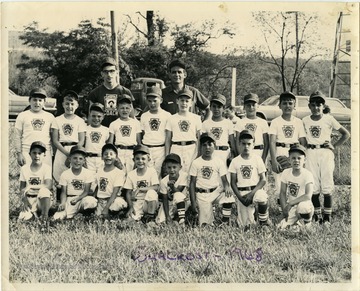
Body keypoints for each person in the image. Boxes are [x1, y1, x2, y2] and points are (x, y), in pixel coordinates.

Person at [302, 91, 350, 224]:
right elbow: (302, 138)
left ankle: (327, 217)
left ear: (323, 106)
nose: (316, 107)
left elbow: (346, 134)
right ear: (309, 106)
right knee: (314, 185)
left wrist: (334, 146)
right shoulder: (305, 120)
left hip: (325, 153)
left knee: (327, 185)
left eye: (319, 104)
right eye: (313, 105)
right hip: (310, 152)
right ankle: (317, 215)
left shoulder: (328, 119)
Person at [268, 91, 306, 210]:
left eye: (290, 103)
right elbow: (272, 142)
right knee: (280, 185)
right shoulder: (275, 122)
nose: (288, 106)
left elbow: (303, 141)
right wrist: (274, 160)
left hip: (294, 152)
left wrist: (302, 158)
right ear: (279, 105)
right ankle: (282, 210)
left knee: (294, 183)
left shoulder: (298, 122)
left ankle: (294, 209)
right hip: (280, 150)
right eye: (284, 103)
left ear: (294, 105)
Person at [189, 133, 235, 227]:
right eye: (204, 145)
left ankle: (225, 222)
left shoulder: (218, 161)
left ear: (215, 145)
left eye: (210, 144)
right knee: (205, 225)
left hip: (215, 192)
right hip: (202, 194)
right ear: (200, 147)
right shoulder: (196, 162)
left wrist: (227, 187)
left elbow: (224, 180)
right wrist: (193, 202)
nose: (207, 148)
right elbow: (192, 183)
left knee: (228, 197)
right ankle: (195, 214)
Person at [229, 130, 270, 231]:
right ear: (239, 144)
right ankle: (253, 215)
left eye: (249, 144)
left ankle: (263, 222)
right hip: (242, 193)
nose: (246, 146)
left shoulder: (257, 159)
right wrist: (240, 198)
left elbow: (263, 180)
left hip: (255, 190)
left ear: (253, 144)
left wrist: (251, 194)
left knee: (261, 196)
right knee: (245, 226)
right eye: (243, 144)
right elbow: (233, 183)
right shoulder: (235, 161)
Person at [51, 90, 86, 202]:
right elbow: (55, 140)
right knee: (60, 176)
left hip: (75, 150)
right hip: (62, 150)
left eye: (72, 104)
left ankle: (74, 201)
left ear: (77, 105)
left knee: (74, 175)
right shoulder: (57, 120)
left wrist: (73, 155)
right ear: (62, 104)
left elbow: (81, 140)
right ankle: (59, 203)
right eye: (67, 103)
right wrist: (67, 155)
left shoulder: (80, 121)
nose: (69, 106)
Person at [53, 146, 97, 220]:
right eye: (75, 158)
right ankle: (74, 214)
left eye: (80, 159)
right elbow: (63, 192)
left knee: (91, 201)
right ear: (70, 159)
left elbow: (86, 191)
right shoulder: (65, 174)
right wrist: (63, 202)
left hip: (82, 199)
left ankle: (84, 214)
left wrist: (77, 199)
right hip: (70, 199)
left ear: (84, 161)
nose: (77, 161)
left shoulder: (88, 173)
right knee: (57, 218)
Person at [88, 57, 134, 127]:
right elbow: (90, 117)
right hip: (102, 133)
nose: (109, 75)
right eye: (106, 72)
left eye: (112, 71)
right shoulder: (95, 93)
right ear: (102, 74)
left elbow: (131, 116)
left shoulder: (125, 92)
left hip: (120, 133)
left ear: (117, 72)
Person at [278, 144, 314, 232]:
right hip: (292, 207)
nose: (296, 161)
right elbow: (282, 192)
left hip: (305, 205)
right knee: (280, 228)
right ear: (289, 159)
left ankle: (307, 223)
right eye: (293, 158)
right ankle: (296, 224)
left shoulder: (307, 174)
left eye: (299, 158)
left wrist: (290, 204)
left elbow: (308, 196)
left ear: (304, 160)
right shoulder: (286, 172)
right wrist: (284, 209)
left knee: (303, 207)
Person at [14, 88, 55, 168]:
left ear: (44, 102)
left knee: (45, 177)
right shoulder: (22, 115)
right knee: (28, 177)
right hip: (27, 151)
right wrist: (19, 153)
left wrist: (53, 154)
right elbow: (17, 136)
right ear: (29, 101)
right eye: (34, 100)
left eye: (40, 100)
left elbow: (53, 137)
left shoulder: (50, 117)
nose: (37, 103)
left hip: (45, 152)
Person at [165, 88, 202, 173]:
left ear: (191, 103)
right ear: (177, 101)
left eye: (187, 101)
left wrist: (199, 153)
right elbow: (168, 139)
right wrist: (167, 155)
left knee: (191, 174)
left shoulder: (196, 118)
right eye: (182, 100)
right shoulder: (171, 118)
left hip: (191, 149)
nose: (184, 103)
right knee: (177, 173)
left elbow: (199, 138)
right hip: (176, 148)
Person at [18, 141, 52, 231]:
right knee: (24, 218)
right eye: (34, 153)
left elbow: (48, 185)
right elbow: (22, 188)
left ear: (44, 155)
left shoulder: (46, 168)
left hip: (42, 200)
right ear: (29, 154)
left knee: (44, 190)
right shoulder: (24, 168)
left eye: (40, 153)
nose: (37, 155)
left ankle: (44, 218)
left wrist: (31, 186)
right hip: (29, 199)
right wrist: (25, 201)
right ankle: (33, 215)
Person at [123, 145, 159, 223]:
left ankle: (150, 218)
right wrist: (130, 207)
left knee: (151, 192)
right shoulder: (131, 174)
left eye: (143, 159)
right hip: (137, 202)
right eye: (137, 159)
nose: (140, 161)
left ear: (148, 159)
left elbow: (156, 187)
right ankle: (142, 217)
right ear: (134, 160)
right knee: (130, 220)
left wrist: (140, 189)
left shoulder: (152, 171)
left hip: (149, 202)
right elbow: (128, 192)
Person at [140, 87, 171, 177]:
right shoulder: (144, 116)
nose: (152, 103)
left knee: (159, 175)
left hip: (160, 149)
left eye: (155, 100)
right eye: (149, 101)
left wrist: (167, 154)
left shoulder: (167, 115)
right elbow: (143, 133)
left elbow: (168, 137)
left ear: (161, 100)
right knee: (147, 174)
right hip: (147, 149)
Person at [108, 94, 142, 174]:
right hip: (119, 151)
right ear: (117, 109)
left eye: (127, 108)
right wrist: (114, 155)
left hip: (131, 152)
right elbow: (110, 142)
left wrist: (137, 154)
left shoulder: (135, 123)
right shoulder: (114, 124)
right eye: (122, 108)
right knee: (120, 174)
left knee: (131, 174)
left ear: (131, 109)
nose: (124, 110)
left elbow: (139, 142)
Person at [93, 143, 128, 217]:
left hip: (113, 200)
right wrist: (94, 198)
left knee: (118, 204)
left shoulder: (119, 173)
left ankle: (116, 213)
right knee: (98, 217)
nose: (108, 156)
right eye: (105, 154)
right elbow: (98, 186)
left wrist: (106, 208)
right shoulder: (99, 170)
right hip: (101, 200)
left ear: (116, 157)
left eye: (111, 154)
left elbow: (115, 192)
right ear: (102, 157)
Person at [201, 93, 236, 165]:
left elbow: (232, 142)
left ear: (223, 108)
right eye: (214, 106)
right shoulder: (206, 123)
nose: (216, 109)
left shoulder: (228, 123)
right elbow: (202, 143)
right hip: (211, 153)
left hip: (224, 153)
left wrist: (234, 155)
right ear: (210, 107)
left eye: (219, 107)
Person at [235, 93, 269, 163]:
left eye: (253, 105)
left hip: (259, 151)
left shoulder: (263, 122)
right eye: (248, 105)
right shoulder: (240, 122)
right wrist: (241, 157)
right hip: (245, 152)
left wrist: (263, 159)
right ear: (244, 107)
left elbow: (266, 143)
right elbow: (238, 142)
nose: (251, 108)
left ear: (258, 106)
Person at [156, 153, 189, 225]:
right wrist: (167, 216)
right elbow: (164, 200)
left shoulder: (184, 175)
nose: (172, 170)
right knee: (160, 222)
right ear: (165, 168)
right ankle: (173, 218)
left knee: (178, 196)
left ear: (180, 167)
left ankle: (181, 220)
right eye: (169, 167)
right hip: (170, 203)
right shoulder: (163, 181)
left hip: (183, 202)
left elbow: (178, 192)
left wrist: (172, 186)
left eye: (174, 167)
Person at [84, 103, 110, 174]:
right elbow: (82, 145)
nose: (96, 119)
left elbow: (108, 147)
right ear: (89, 115)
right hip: (88, 159)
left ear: (103, 117)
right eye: (93, 116)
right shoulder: (85, 129)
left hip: (101, 159)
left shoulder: (106, 130)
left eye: (99, 116)